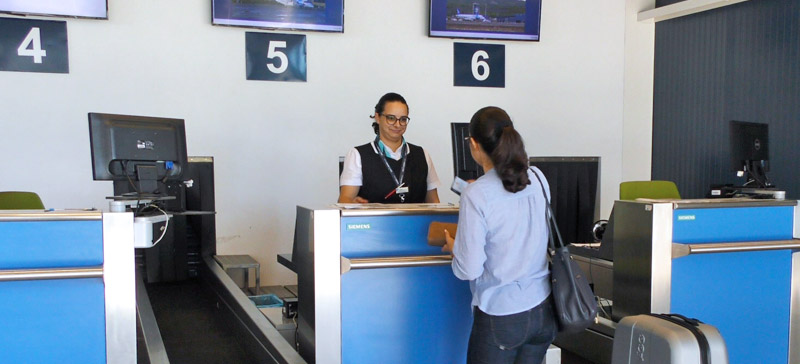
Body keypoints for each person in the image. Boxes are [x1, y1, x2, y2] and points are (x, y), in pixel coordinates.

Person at [442, 106, 555, 364]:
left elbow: (468, 269)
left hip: (502, 317)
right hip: (543, 310)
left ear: (473, 144)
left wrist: (455, 247)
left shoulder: (476, 195)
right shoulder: (537, 177)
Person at [338, 92, 441, 204]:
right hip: (376, 221)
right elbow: (345, 199)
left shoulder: (422, 155)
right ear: (377, 117)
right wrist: (352, 204)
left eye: (403, 119)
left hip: (416, 221)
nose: (397, 125)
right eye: (391, 118)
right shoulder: (358, 155)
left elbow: (434, 203)